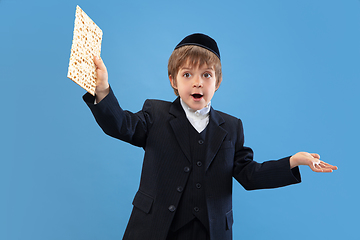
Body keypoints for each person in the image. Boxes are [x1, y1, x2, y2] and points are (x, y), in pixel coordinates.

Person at [82, 33, 337, 240]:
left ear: (218, 81)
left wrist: (294, 160)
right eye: (187, 74)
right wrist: (102, 89)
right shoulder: (155, 114)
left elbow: (250, 174)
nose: (197, 83)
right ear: (173, 80)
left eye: (206, 75)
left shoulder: (232, 127)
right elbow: (121, 126)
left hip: (211, 232)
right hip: (157, 228)